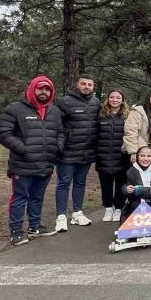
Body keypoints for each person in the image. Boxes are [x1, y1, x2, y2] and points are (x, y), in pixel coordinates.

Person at [0, 75, 63, 245]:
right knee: (20, 197)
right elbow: (3, 133)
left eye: (47, 89)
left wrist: (57, 147)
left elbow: (60, 132)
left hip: (45, 163)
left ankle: (34, 227)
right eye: (40, 88)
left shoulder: (54, 110)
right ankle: (16, 231)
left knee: (37, 197)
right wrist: (24, 149)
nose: (44, 91)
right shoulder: (15, 108)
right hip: (22, 165)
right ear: (32, 89)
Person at [54, 74, 100, 232]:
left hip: (86, 152)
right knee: (63, 183)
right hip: (67, 152)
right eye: (83, 84)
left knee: (80, 183)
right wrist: (60, 145)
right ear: (77, 84)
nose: (87, 87)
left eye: (90, 84)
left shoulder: (96, 102)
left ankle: (77, 212)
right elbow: (56, 126)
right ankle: (61, 216)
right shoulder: (65, 102)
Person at [96, 89, 130, 222]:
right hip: (103, 156)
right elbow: (95, 135)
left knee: (121, 184)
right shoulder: (101, 115)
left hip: (121, 157)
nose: (115, 100)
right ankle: (108, 208)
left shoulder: (127, 116)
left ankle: (118, 209)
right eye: (112, 97)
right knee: (106, 185)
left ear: (122, 100)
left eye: (118, 97)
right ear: (108, 99)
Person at [123, 90, 151, 159]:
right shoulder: (137, 111)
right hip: (138, 148)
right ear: (148, 98)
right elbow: (130, 132)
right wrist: (133, 152)